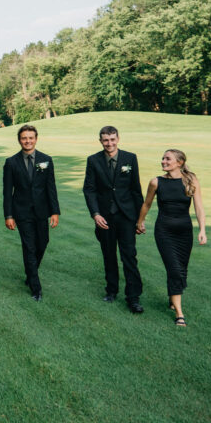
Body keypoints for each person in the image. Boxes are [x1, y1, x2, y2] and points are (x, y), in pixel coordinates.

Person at [136, 149, 207, 326]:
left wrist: (202, 230)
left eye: (168, 159)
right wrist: (140, 222)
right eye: (163, 158)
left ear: (179, 162)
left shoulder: (191, 180)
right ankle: (179, 314)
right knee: (174, 269)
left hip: (184, 232)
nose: (163, 161)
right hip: (164, 231)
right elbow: (146, 204)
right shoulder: (156, 182)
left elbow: (199, 208)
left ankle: (172, 297)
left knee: (181, 269)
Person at [82, 125, 144, 312]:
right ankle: (111, 290)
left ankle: (133, 298)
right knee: (108, 255)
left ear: (118, 139)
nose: (109, 143)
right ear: (100, 141)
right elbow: (89, 189)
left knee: (129, 257)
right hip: (104, 217)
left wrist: (140, 220)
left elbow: (136, 190)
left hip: (126, 216)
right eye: (105, 140)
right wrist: (96, 214)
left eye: (112, 139)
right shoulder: (93, 160)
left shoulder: (130, 158)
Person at [3, 124, 60, 301]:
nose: (27, 141)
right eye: (24, 138)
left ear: (36, 139)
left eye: (30, 138)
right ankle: (36, 288)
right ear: (19, 140)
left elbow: (51, 188)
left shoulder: (46, 160)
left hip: (42, 211)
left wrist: (55, 212)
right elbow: (7, 191)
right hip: (21, 212)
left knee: (42, 243)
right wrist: (9, 215)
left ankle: (30, 272)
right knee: (29, 247)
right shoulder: (11, 162)